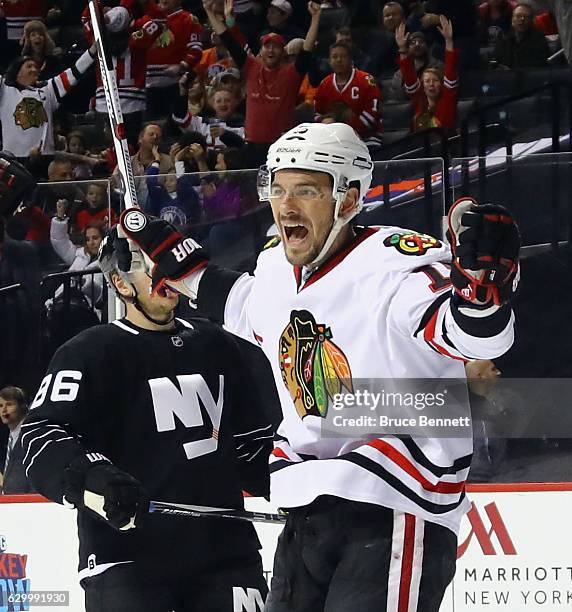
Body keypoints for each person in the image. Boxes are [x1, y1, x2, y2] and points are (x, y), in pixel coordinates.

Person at [119, 121, 520, 611]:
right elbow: (243, 305)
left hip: (393, 504)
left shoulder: (395, 266)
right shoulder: (274, 269)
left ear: (348, 199)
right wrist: (167, 251)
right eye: (278, 188)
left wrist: (481, 292)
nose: (286, 205)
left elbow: (473, 335)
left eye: (306, 190)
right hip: (305, 509)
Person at [21, 225, 272, 611]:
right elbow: (42, 436)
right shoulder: (89, 352)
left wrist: (310, 488)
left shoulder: (219, 344)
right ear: (120, 284)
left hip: (226, 554)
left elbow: (255, 444)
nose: (163, 276)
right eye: (148, 267)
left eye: (166, 264)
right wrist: (93, 478)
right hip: (127, 556)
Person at [202, 0, 322, 167]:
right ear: (261, 51)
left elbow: (307, 49)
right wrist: (209, 12)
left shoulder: (291, 73)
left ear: (283, 52)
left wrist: (316, 17)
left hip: (282, 147)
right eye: (267, 46)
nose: (271, 50)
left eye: (276, 47)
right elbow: (229, 40)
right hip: (252, 146)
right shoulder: (251, 67)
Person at [0, 44, 96, 159]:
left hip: (45, 157)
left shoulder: (48, 89)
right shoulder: (4, 89)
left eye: (36, 67)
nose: (34, 69)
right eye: (29, 66)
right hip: (13, 159)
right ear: (17, 71)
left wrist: (92, 51)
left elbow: (74, 72)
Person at [314, 42, 383, 150]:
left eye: (343, 56)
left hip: (367, 137)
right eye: (334, 57)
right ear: (329, 61)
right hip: (334, 138)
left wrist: (348, 128)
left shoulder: (366, 80)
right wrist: (325, 121)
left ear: (351, 60)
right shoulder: (324, 84)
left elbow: (372, 116)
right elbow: (318, 114)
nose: (338, 60)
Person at [396, 17, 460, 132]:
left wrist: (449, 41)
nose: (431, 84)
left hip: (446, 146)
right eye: (427, 81)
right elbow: (409, 78)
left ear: (441, 84)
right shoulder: (420, 101)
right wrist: (402, 49)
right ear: (422, 86)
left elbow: (450, 74)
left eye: (435, 81)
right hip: (421, 146)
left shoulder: (448, 99)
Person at [492, 2, 550, 68]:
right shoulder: (503, 39)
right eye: (518, 16)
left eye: (526, 17)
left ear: (531, 21)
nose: (522, 19)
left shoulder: (539, 40)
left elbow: (539, 66)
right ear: (512, 20)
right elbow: (496, 61)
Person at [0, 386, 34, 494]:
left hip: (29, 505)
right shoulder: (10, 437)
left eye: (9, 404)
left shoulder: (31, 435)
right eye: (0, 405)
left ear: (23, 406)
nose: (4, 410)